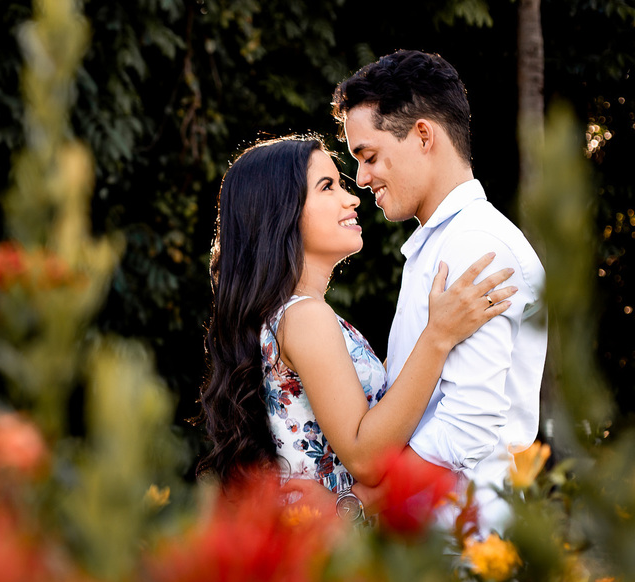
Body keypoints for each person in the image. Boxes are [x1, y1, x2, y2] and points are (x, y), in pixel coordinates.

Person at [195, 134, 513, 517]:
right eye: (327, 187)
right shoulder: (304, 317)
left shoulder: (288, 314)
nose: (352, 198)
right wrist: (438, 336)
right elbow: (366, 456)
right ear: (279, 212)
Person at [332, 49, 547, 531]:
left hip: (461, 541)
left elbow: (467, 428)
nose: (362, 178)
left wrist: (366, 504)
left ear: (423, 135)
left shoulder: (475, 245)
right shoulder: (446, 241)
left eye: (369, 156)